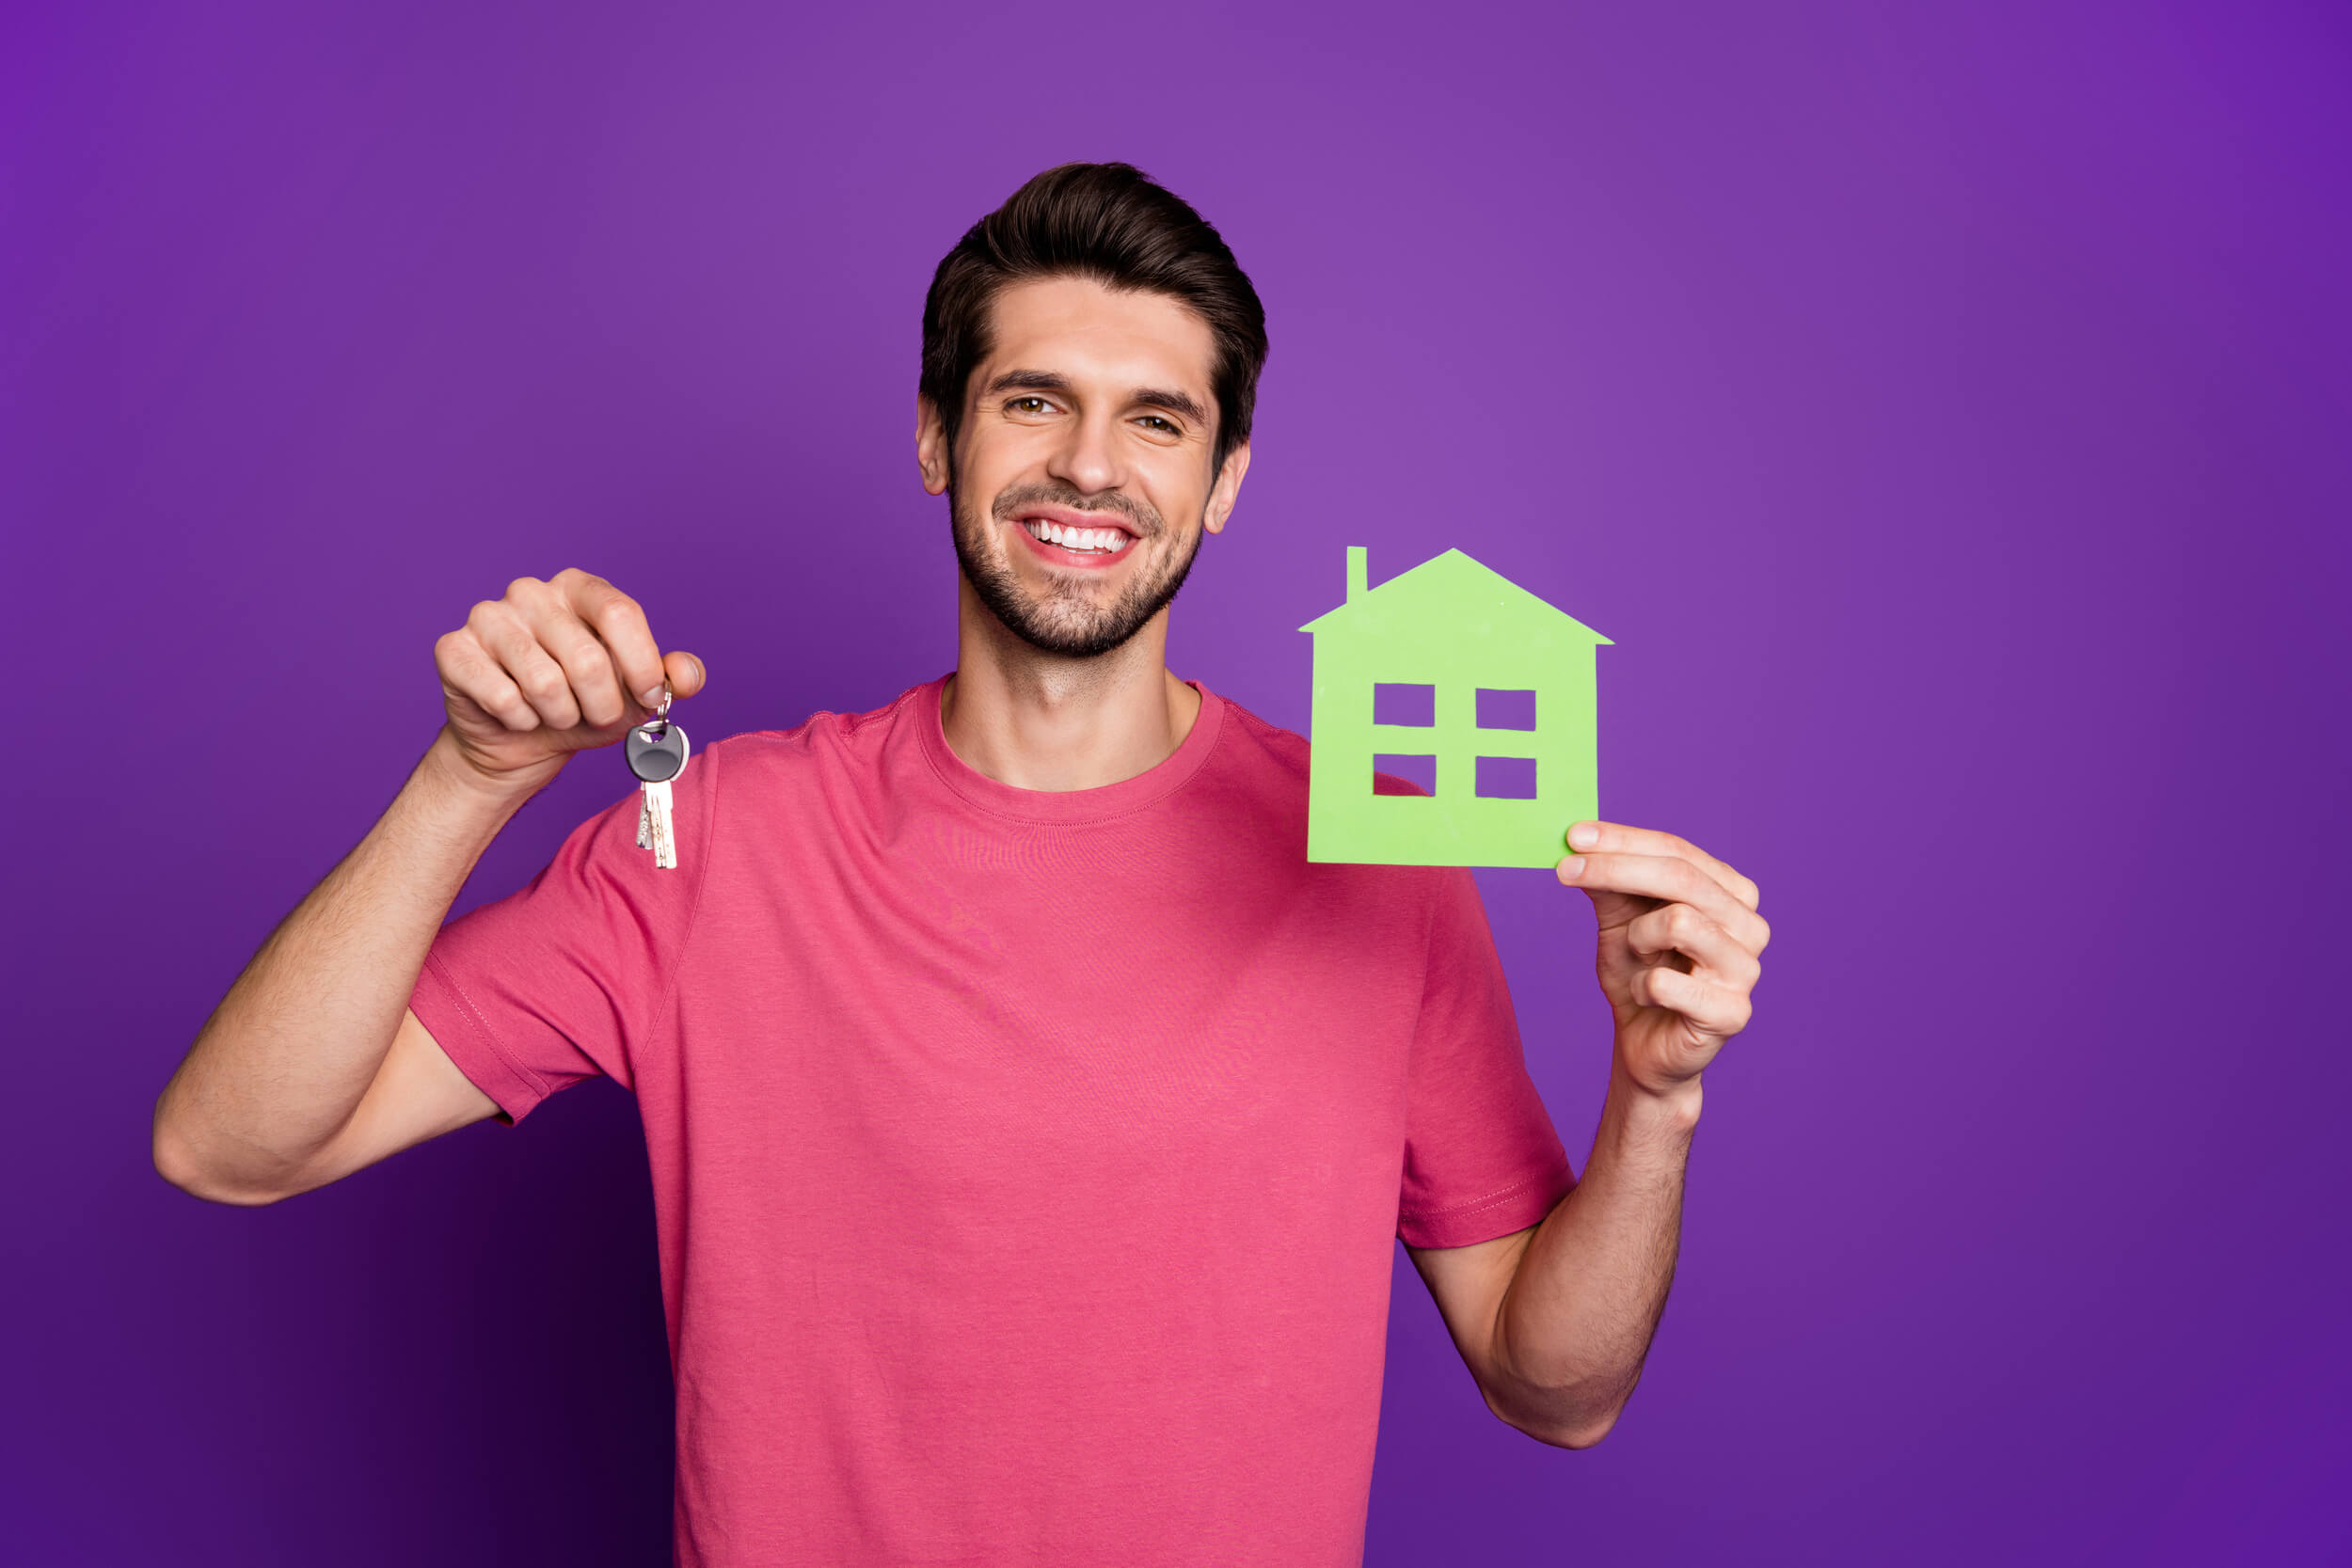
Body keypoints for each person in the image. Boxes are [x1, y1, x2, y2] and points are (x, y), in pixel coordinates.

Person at [152, 162, 1769, 1566]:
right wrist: (470, 775)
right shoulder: (709, 841)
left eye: (1157, 419)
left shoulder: (1380, 854)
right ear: (938, 438)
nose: (1089, 464)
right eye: (1031, 400)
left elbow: (1558, 1393)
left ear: (1223, 486)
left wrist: (1658, 1097)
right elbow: (230, 1146)